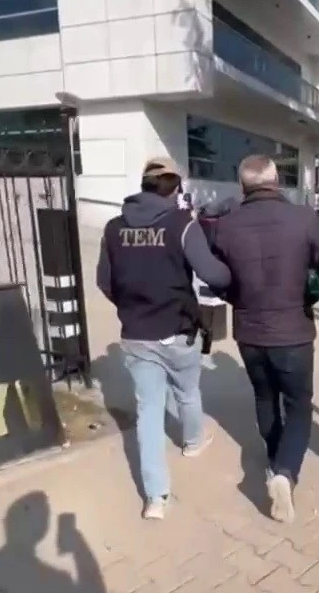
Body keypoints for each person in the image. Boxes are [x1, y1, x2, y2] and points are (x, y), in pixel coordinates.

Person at [96, 157, 231, 520]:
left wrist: (131, 306)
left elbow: (105, 282)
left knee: (149, 412)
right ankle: (193, 443)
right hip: (178, 328)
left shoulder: (113, 228)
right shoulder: (181, 223)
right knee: (187, 391)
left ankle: (156, 498)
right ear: (174, 189)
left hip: (136, 334)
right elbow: (213, 274)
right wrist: (235, 276)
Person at [212, 154, 319, 523]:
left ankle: (274, 459)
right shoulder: (304, 218)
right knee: (298, 404)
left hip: (249, 331)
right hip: (294, 330)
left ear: (243, 185)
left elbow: (219, 277)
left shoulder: (226, 226)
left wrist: (235, 296)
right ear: (276, 181)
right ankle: (285, 471)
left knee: (264, 397)